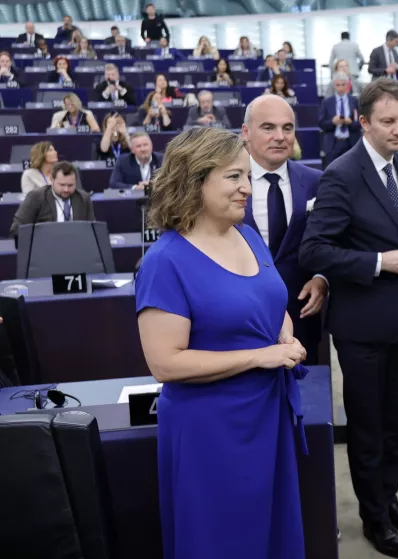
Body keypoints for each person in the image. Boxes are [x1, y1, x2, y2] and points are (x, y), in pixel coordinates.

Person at [135, 127, 308, 559]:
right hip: (210, 430)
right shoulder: (164, 262)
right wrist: (260, 356)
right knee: (220, 540)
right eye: (234, 177)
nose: (247, 188)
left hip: (268, 415)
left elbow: (267, 301)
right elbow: (165, 363)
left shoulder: (248, 235)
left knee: (271, 534)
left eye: (247, 176)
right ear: (195, 180)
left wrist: (283, 330)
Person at [300, 78, 398, 558]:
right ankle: (374, 520)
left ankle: (389, 500)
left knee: (395, 423)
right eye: (388, 122)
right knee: (369, 428)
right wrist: (378, 262)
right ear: (363, 122)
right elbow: (316, 248)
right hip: (361, 328)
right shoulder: (342, 174)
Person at [242, 95, 326, 364]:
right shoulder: (224, 183)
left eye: (287, 128)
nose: (280, 136)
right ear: (246, 132)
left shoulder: (317, 182)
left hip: (303, 318)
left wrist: (323, 278)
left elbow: (334, 240)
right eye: (268, 128)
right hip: (242, 317)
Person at [11, 162, 93, 238]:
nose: (66, 189)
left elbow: (92, 230)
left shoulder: (83, 198)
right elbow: (17, 229)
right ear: (52, 180)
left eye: (70, 185)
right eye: (62, 185)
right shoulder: (36, 197)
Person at [319, 72, 361, 168]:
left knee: (352, 171)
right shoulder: (327, 102)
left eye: (343, 85)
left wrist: (350, 123)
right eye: (338, 85)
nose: (340, 88)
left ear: (348, 85)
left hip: (350, 142)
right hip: (333, 143)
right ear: (334, 86)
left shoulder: (354, 101)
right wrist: (333, 122)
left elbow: (361, 122)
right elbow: (321, 123)